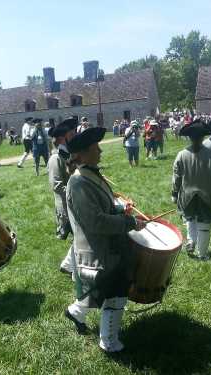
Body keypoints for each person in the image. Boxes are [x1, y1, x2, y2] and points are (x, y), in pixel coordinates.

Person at [64, 127, 146, 353]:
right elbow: (96, 222)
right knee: (115, 293)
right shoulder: (79, 182)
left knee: (103, 290)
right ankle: (108, 343)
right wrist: (128, 222)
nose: (100, 151)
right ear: (82, 154)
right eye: (95, 148)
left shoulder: (90, 174)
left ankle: (74, 312)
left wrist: (121, 210)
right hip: (98, 250)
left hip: (108, 244)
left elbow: (104, 207)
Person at [172, 120, 211, 260]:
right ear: (203, 137)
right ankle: (202, 254)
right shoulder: (210, 155)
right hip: (206, 197)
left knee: (190, 219)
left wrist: (174, 193)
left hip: (187, 197)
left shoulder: (181, 155)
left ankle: (191, 241)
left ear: (189, 137)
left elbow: (176, 177)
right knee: (204, 226)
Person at [47, 118, 77, 274]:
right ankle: (74, 269)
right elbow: (58, 186)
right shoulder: (55, 158)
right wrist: (79, 193)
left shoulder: (67, 154)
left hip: (73, 203)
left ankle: (68, 264)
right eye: (71, 134)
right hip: (66, 206)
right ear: (61, 138)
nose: (74, 136)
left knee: (80, 236)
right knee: (80, 236)